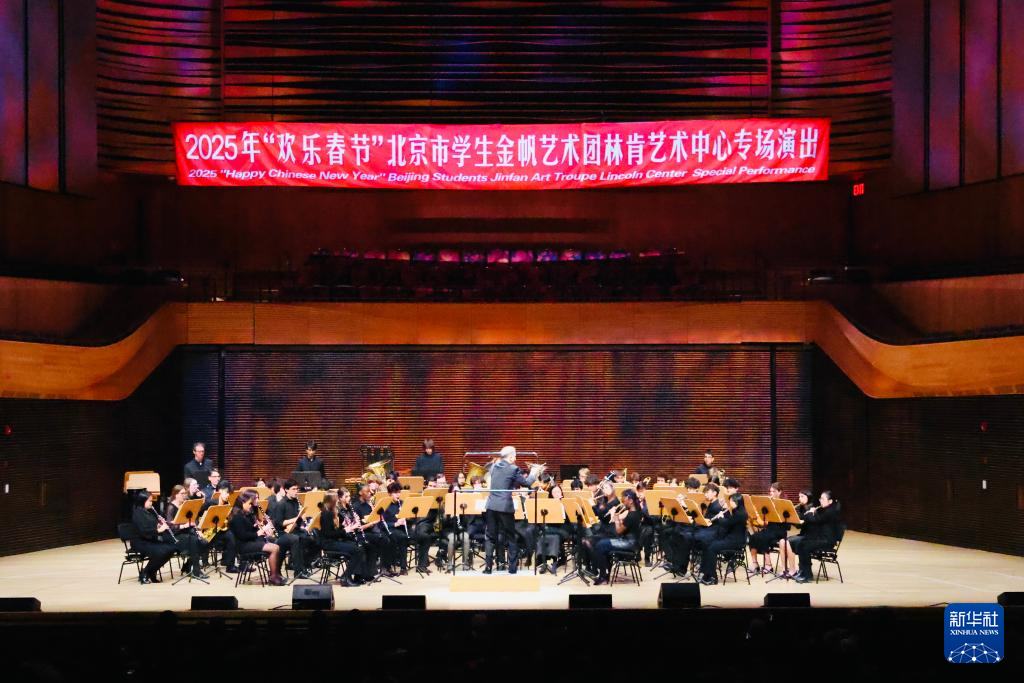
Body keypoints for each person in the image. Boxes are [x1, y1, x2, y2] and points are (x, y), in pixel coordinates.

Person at [482, 446, 542, 574]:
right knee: (510, 536)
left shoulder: (493, 467)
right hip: (504, 507)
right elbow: (526, 483)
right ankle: (512, 568)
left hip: (491, 506)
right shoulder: (513, 469)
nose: (515, 459)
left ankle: (488, 568)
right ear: (510, 457)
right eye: (514, 457)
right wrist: (534, 472)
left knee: (490, 537)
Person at [585, 489, 643, 585]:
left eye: (624, 501)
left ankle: (603, 576)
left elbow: (619, 531)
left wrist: (615, 519)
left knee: (600, 545)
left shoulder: (631, 515)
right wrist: (618, 519)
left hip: (629, 543)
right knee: (602, 543)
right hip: (630, 541)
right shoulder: (636, 512)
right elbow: (624, 528)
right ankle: (604, 573)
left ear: (630, 501)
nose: (623, 503)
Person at [227, 490, 285, 585]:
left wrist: (261, 529)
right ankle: (273, 577)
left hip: (250, 542)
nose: (250, 506)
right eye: (249, 504)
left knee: (277, 544)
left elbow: (249, 530)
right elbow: (243, 536)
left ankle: (275, 574)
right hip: (244, 546)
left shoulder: (245, 514)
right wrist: (258, 533)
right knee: (274, 548)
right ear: (242, 503)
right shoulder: (237, 517)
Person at [788, 490, 842, 583]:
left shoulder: (831, 512)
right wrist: (811, 514)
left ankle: (807, 575)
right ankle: (803, 572)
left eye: (823, 499)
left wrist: (810, 512)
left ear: (830, 501)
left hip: (827, 541)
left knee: (804, 546)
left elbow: (815, 520)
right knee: (802, 544)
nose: (820, 500)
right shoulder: (825, 510)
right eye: (820, 498)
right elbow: (813, 520)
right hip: (821, 538)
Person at [319, 490, 368, 587]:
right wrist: (345, 530)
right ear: (331, 501)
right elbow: (328, 534)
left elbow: (335, 530)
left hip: (333, 541)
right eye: (336, 499)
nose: (338, 500)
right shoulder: (326, 514)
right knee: (357, 550)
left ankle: (357, 576)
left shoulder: (331, 512)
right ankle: (345, 577)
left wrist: (345, 527)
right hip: (328, 544)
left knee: (359, 546)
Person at [698, 492, 748, 585]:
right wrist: (724, 512)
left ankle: (712, 577)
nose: (730, 503)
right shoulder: (735, 510)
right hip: (729, 538)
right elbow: (728, 520)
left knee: (712, 548)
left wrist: (720, 517)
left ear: (738, 502)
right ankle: (705, 573)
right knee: (707, 544)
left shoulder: (741, 514)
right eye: (730, 501)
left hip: (736, 541)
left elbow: (726, 524)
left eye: (732, 501)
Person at [269, 479, 314, 579]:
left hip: (295, 531)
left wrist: (302, 517)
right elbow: (279, 523)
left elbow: (298, 521)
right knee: (295, 539)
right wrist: (296, 518)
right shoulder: (281, 504)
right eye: (293, 489)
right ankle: (298, 571)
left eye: (297, 489)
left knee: (312, 539)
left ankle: (305, 565)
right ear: (286, 490)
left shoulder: (296, 502)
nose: (296, 491)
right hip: (283, 533)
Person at [130, 490, 176, 584]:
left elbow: (151, 525)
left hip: (149, 540)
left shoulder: (148, 511)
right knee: (161, 552)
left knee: (171, 549)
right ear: (143, 501)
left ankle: (152, 571)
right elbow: (144, 531)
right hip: (140, 542)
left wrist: (159, 525)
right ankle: (145, 573)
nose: (151, 503)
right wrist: (159, 530)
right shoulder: (138, 513)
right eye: (150, 501)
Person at [164, 484, 209, 578]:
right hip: (176, 536)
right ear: (176, 495)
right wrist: (185, 525)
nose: (185, 495)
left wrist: (197, 530)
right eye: (182, 493)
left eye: (185, 493)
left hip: (187, 533)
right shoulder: (171, 507)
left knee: (204, 542)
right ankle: (196, 571)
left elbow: (192, 519)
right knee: (194, 541)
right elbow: (170, 526)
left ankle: (187, 566)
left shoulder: (185, 505)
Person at [747, 482, 788, 575]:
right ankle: (755, 564)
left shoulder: (784, 503)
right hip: (770, 528)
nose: (771, 493)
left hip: (780, 530)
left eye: (774, 491)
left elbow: (787, 522)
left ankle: (768, 565)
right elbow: (766, 520)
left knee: (764, 537)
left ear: (780, 492)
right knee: (753, 537)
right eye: (770, 491)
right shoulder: (769, 503)